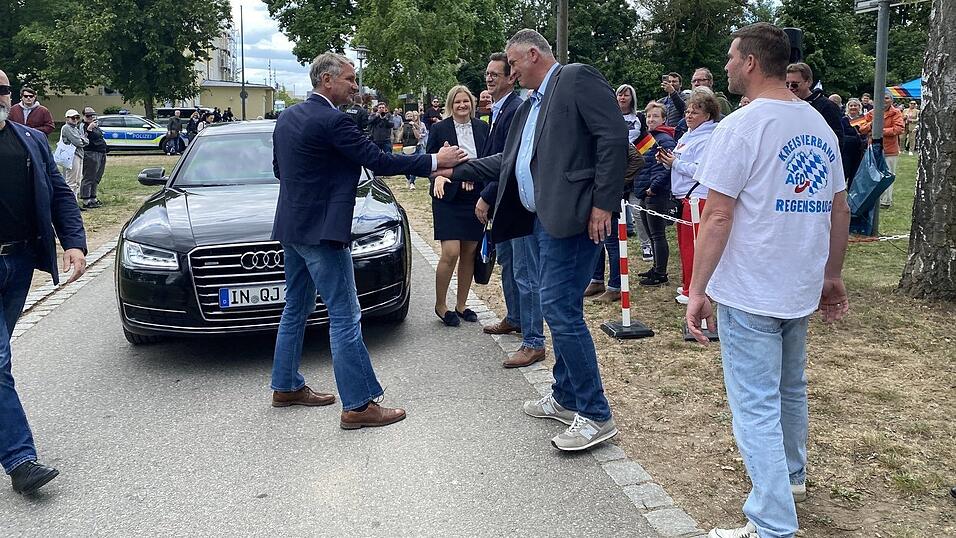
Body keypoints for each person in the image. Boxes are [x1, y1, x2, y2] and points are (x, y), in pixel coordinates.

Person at [684, 23, 850, 538]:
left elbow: (716, 216)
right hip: (796, 282)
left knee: (755, 401)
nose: (727, 64)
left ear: (751, 62)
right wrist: (831, 275)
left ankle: (772, 522)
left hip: (752, 287)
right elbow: (839, 209)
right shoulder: (819, 126)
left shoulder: (742, 126)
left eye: (732, 56)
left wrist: (697, 288)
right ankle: (791, 480)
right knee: (789, 389)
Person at [436, 29, 626, 451]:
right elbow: (509, 160)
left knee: (559, 309)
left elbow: (613, 136)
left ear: (533, 54)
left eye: (514, 64)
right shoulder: (530, 105)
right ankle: (565, 396)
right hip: (540, 221)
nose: (511, 71)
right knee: (557, 306)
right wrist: (455, 170)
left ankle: (596, 414)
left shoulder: (574, 78)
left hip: (573, 219)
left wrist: (604, 203)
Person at [270, 52, 467, 428]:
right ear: (327, 81)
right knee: (345, 315)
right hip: (323, 234)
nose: (356, 86)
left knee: (295, 306)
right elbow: (378, 161)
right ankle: (359, 405)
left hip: (291, 228)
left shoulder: (288, 117)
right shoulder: (333, 121)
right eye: (350, 79)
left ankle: (285, 385)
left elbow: (281, 170)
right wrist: (433, 161)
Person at [0, 68, 88, 495]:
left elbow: (58, 194)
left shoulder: (30, 139)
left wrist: (73, 243)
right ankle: (20, 461)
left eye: (3, 89)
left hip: (18, 262)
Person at [475, 53, 533, 356]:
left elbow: (508, 162)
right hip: (502, 203)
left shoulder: (515, 109)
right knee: (509, 263)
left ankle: (533, 340)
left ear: (511, 78)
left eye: (495, 74)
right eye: (487, 74)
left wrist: (486, 195)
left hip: (515, 203)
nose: (489, 78)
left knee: (524, 270)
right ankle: (515, 317)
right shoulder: (497, 110)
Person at [427, 86, 489, 327]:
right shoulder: (439, 128)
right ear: (450, 105)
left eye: (466, 102)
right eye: (457, 102)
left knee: (469, 253)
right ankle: (440, 305)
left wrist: (476, 180)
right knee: (450, 252)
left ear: (472, 104)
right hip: (447, 197)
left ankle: (461, 304)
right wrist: (438, 177)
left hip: (475, 197)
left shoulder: (483, 128)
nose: (462, 106)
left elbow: (488, 160)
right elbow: (429, 162)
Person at [657, 89, 719, 305]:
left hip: (698, 198)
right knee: (686, 245)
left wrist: (675, 163)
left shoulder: (708, 137)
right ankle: (688, 284)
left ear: (708, 115)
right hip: (685, 197)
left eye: (695, 112)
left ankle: (695, 289)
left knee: (694, 246)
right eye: (687, 111)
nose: (688, 116)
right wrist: (668, 160)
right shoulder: (688, 135)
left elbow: (700, 169)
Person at [633, 101, 676, 286]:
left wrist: (654, 187)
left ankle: (660, 273)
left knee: (658, 235)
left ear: (664, 119)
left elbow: (666, 167)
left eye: (656, 116)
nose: (651, 119)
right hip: (646, 191)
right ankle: (656, 268)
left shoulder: (664, 139)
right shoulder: (650, 137)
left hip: (656, 193)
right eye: (649, 116)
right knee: (652, 234)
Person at [858, 92, 905, 207]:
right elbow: (861, 129)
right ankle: (873, 199)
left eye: (887, 98)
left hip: (890, 150)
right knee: (872, 175)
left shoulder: (896, 112)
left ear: (892, 100)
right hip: (873, 149)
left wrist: (879, 131)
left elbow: (898, 129)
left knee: (888, 175)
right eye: (881, 98)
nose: (884, 100)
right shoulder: (871, 113)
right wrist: (871, 125)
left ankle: (886, 201)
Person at [785, 63, 844, 138]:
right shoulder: (786, 105)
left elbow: (837, 137)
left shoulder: (828, 106)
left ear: (809, 82)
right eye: (787, 85)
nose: (790, 88)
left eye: (794, 84)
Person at [79, 107, 108, 210]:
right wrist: (89, 129)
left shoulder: (96, 125)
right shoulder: (83, 126)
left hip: (101, 152)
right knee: (89, 176)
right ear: (83, 116)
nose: (91, 117)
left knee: (97, 176)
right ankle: (86, 200)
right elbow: (82, 139)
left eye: (92, 115)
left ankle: (93, 197)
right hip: (90, 153)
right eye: (88, 116)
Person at [58, 109, 88, 196]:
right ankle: (69, 203)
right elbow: (78, 142)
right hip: (71, 155)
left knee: (78, 181)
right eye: (72, 118)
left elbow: (86, 141)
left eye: (77, 117)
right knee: (71, 181)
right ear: (67, 119)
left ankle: (75, 202)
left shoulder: (75, 128)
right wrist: (81, 140)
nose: (75, 119)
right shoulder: (66, 127)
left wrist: (81, 140)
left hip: (79, 155)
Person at [400, 111, 424, 189]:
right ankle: (409, 179)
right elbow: (399, 138)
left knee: (414, 165)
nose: (409, 117)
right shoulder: (403, 125)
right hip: (405, 147)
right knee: (404, 166)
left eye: (410, 116)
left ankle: (412, 182)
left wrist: (414, 127)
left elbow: (418, 136)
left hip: (414, 146)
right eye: (407, 115)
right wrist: (402, 128)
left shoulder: (416, 125)